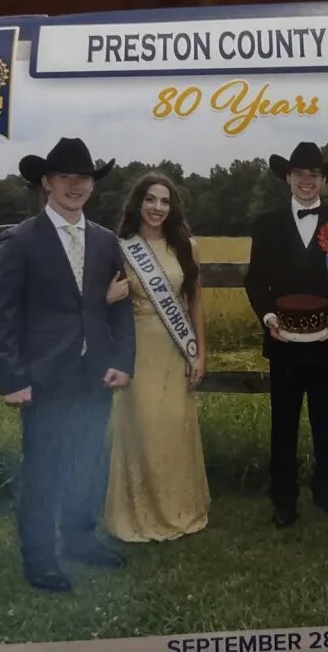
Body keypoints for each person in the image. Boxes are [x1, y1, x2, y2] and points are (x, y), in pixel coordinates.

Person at [0, 137, 136, 591]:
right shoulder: (21, 240)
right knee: (44, 468)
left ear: (93, 184)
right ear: (47, 183)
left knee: (88, 461)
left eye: (84, 177)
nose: (76, 185)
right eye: (65, 177)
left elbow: (118, 307)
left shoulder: (107, 241)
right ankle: (40, 558)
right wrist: (11, 377)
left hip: (95, 373)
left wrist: (122, 360)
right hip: (44, 377)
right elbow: (0, 315)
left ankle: (80, 540)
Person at [243, 141, 328, 528]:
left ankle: (327, 491)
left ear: (324, 180)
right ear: (287, 178)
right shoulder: (266, 223)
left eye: (314, 175)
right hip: (283, 341)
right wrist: (269, 317)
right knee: (284, 422)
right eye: (299, 174)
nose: (307, 181)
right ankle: (284, 497)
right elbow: (255, 281)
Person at [102, 172, 211, 541]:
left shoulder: (186, 246)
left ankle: (180, 510)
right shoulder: (120, 247)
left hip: (176, 350)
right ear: (138, 203)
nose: (157, 208)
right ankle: (139, 514)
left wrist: (201, 354)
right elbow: (100, 301)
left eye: (165, 201)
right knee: (142, 428)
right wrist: (107, 298)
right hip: (137, 350)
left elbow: (195, 301)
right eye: (151, 200)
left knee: (173, 427)